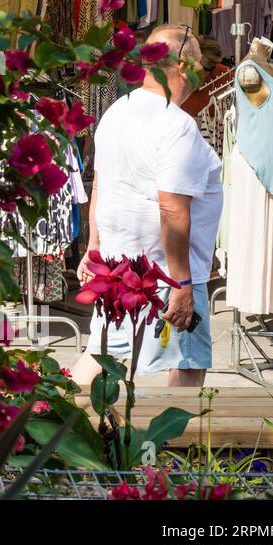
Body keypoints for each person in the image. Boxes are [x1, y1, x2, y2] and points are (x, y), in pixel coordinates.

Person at [71, 24, 223, 388]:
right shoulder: (177, 125)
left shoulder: (117, 112)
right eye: (201, 63)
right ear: (184, 65)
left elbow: (103, 186)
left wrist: (94, 249)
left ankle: (55, 421)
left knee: (102, 352)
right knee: (186, 363)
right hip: (164, 274)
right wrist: (182, 283)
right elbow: (171, 208)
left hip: (118, 266)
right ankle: (172, 445)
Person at [180, 35, 231, 118]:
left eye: (212, 67)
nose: (206, 72)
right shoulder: (180, 72)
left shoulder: (225, 74)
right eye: (204, 67)